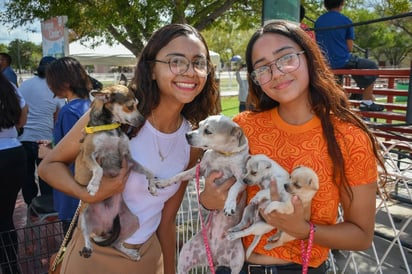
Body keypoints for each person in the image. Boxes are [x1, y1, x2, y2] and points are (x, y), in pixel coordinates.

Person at [200, 21, 385, 274]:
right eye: (262, 67)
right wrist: (209, 199)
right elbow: (213, 192)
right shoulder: (243, 129)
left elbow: (362, 235)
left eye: (286, 58)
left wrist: (304, 230)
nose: (276, 72)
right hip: (232, 264)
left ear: (308, 58)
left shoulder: (349, 137)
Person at [38, 23, 220, 274]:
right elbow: (49, 166)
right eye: (176, 61)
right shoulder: (115, 116)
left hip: (147, 258)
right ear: (152, 70)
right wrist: (88, 194)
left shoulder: (191, 140)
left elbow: (166, 222)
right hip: (94, 257)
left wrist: (169, 269)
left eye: (199, 63)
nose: (190, 71)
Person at [37, 57, 92, 234]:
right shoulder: (90, 107)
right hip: (90, 192)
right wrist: (55, 146)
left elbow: (72, 156)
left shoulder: (69, 112)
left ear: (64, 82)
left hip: (73, 193)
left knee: (72, 248)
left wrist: (47, 153)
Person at [315, 0, 383, 111]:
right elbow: (350, 48)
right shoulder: (346, 20)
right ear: (342, 3)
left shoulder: (319, 21)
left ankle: (346, 100)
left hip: (325, 61)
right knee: (371, 66)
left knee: (337, 80)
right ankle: (366, 101)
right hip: (342, 60)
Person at [18, 56, 63, 206]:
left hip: (23, 138)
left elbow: (18, 109)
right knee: (46, 176)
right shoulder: (56, 87)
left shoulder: (25, 85)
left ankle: (31, 206)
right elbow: (58, 117)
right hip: (45, 140)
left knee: (26, 176)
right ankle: (47, 207)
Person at [0, 73, 28, 274]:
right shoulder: (8, 87)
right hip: (13, 153)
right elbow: (22, 117)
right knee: (5, 218)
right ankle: (11, 268)